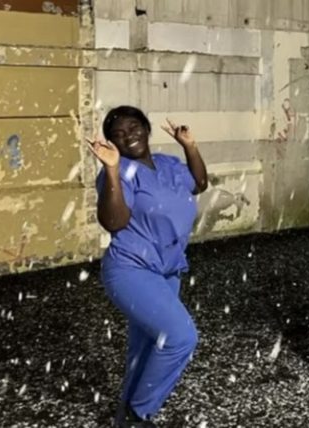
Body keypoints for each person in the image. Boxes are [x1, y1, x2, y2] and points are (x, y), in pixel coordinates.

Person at [86, 105, 208, 428]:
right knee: (181, 337)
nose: (129, 136)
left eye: (134, 127)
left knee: (144, 350)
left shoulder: (168, 164)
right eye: (119, 134)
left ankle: (123, 422)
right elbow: (114, 221)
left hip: (167, 270)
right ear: (113, 143)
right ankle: (138, 413)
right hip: (131, 270)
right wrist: (111, 170)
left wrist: (190, 146)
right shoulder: (121, 171)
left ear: (146, 128)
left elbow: (199, 182)